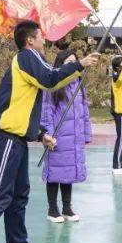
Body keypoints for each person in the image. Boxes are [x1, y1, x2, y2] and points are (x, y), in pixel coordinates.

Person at [0, 20, 99, 243]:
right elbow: (51, 80)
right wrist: (80, 64)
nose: (44, 40)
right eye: (41, 36)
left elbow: (25, 106)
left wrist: (40, 134)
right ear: (30, 40)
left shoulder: (31, 61)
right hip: (4, 139)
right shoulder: (27, 57)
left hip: (17, 140)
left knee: (19, 196)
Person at [40, 49, 93, 224]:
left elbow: (84, 111)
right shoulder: (54, 85)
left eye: (74, 61)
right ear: (60, 65)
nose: (71, 65)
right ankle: (52, 209)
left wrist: (85, 133)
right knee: (55, 172)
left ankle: (67, 207)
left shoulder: (79, 83)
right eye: (67, 62)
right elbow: (47, 111)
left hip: (74, 136)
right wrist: (47, 133)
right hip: (58, 136)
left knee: (68, 172)